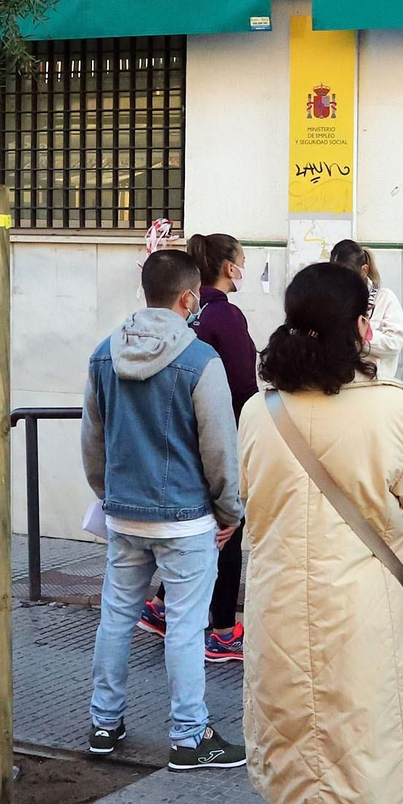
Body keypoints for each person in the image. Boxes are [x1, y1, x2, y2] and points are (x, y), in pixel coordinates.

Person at [238, 263, 403, 804]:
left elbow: (250, 500)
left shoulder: (259, 411)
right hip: (367, 617)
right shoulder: (397, 410)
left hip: (279, 609)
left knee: (292, 775)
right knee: (364, 774)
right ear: (360, 327)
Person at [81, 248, 245, 771]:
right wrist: (229, 511)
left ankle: (104, 723)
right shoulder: (201, 360)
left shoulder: (104, 354)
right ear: (189, 298)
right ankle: (190, 736)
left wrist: (110, 494)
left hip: (124, 513)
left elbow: (92, 442)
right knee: (185, 627)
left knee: (116, 619)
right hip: (186, 519)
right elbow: (219, 448)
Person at [140, 233, 258, 663]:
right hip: (219, 432)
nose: (243, 269)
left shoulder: (184, 316)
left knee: (199, 527)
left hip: (176, 437)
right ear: (229, 267)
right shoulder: (226, 315)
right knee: (227, 528)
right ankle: (223, 630)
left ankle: (161, 606)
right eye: (242, 260)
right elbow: (242, 385)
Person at [330, 240, 403, 381]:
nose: (339, 281)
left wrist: (363, 336)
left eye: (345, 274)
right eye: (334, 275)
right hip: (339, 383)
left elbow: (395, 343)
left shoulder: (384, 298)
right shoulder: (331, 300)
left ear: (364, 270)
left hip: (375, 384)